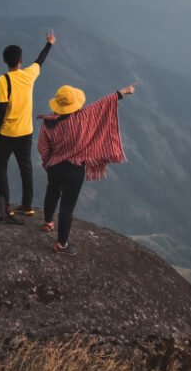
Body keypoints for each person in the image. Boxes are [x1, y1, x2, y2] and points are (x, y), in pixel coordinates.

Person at [37, 83, 136, 256]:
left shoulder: (48, 123)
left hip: (55, 167)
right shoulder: (83, 117)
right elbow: (103, 104)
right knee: (67, 207)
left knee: (52, 192)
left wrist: (48, 163)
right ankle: (62, 244)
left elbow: (42, 147)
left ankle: (47, 223)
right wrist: (124, 91)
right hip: (75, 170)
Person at [0, 30, 57, 217]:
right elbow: (40, 60)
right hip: (26, 132)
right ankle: (27, 205)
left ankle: (6, 206)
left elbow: (2, 107)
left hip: (6, 133)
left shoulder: (3, 80)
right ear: (20, 60)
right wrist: (49, 43)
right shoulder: (29, 75)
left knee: (0, 168)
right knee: (25, 168)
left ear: (5, 61)